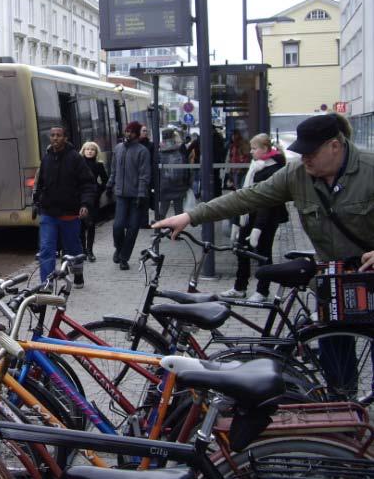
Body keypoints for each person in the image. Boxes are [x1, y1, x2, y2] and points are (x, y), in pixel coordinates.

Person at [153, 114, 374, 396]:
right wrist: (190, 216)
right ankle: (344, 408)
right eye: (301, 152)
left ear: (335, 145)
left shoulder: (369, 169)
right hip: (334, 280)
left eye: (311, 152)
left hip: (370, 277)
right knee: (336, 360)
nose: (304, 158)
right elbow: (247, 197)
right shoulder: (297, 174)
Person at [220, 133, 289, 301]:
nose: (251, 151)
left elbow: (268, 202)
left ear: (265, 149)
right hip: (249, 216)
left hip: (268, 217)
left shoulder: (274, 169)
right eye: (251, 148)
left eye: (254, 148)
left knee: (264, 252)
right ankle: (239, 287)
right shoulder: (255, 166)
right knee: (241, 250)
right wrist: (237, 221)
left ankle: (262, 290)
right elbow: (243, 195)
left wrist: (258, 227)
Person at [33, 125, 96, 287]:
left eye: (58, 135)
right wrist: (37, 201)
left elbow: (88, 184)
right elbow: (40, 183)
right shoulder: (46, 159)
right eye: (52, 135)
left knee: (73, 249)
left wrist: (85, 204)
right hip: (48, 214)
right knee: (47, 249)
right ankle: (46, 283)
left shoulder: (75, 158)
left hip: (70, 214)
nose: (55, 138)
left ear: (65, 138)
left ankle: (78, 274)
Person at [107, 121, 151, 270]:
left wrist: (140, 194)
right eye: (127, 131)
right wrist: (110, 183)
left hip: (136, 196)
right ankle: (118, 248)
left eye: (131, 132)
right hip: (121, 195)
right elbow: (113, 169)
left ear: (137, 134)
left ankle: (124, 258)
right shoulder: (118, 149)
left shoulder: (142, 151)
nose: (128, 134)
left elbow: (144, 175)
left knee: (132, 229)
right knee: (118, 226)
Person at [79, 141, 108, 262]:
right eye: (87, 149)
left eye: (92, 149)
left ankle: (90, 251)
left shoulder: (98, 165)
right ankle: (82, 251)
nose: (90, 151)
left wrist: (98, 190)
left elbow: (105, 180)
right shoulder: (78, 164)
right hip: (79, 197)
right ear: (83, 151)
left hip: (93, 199)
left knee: (90, 225)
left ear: (96, 152)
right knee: (80, 226)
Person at [158, 129, 190, 218]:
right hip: (179, 184)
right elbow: (186, 169)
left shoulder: (160, 151)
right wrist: (187, 183)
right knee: (179, 210)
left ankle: (158, 229)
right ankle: (177, 231)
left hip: (164, 185)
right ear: (173, 136)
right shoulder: (180, 149)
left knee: (163, 209)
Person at [139, 125, 156, 227]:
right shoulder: (134, 144)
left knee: (145, 199)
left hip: (147, 175)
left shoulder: (150, 145)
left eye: (146, 130)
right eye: (143, 130)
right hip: (136, 175)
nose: (145, 132)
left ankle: (144, 222)